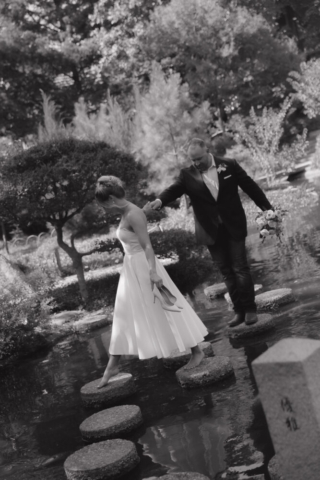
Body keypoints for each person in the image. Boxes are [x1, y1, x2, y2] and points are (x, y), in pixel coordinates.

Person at [95, 175, 208, 388]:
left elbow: (147, 246)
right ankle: (113, 364)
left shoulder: (133, 213)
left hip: (145, 268)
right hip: (131, 268)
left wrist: (153, 273)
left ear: (110, 199)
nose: (103, 210)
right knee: (124, 314)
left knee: (168, 307)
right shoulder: (129, 212)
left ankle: (197, 351)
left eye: (102, 205)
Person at [146, 137, 273, 328]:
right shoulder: (187, 175)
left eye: (199, 158)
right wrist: (160, 201)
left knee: (240, 267)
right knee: (226, 272)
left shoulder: (228, 165)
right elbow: (174, 190)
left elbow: (250, 186)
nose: (196, 163)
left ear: (207, 149)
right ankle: (238, 312)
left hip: (233, 225)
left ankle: (250, 309)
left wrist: (267, 208)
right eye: (193, 160)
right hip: (210, 231)